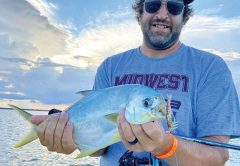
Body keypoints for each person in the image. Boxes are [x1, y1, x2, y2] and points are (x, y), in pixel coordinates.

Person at [30, 0, 240, 165]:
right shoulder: (110, 66)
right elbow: (101, 147)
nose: (162, 14)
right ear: (140, 13)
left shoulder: (211, 68)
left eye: (175, 7)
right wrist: (70, 140)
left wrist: (165, 146)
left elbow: (217, 158)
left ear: (184, 16)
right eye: (153, 5)